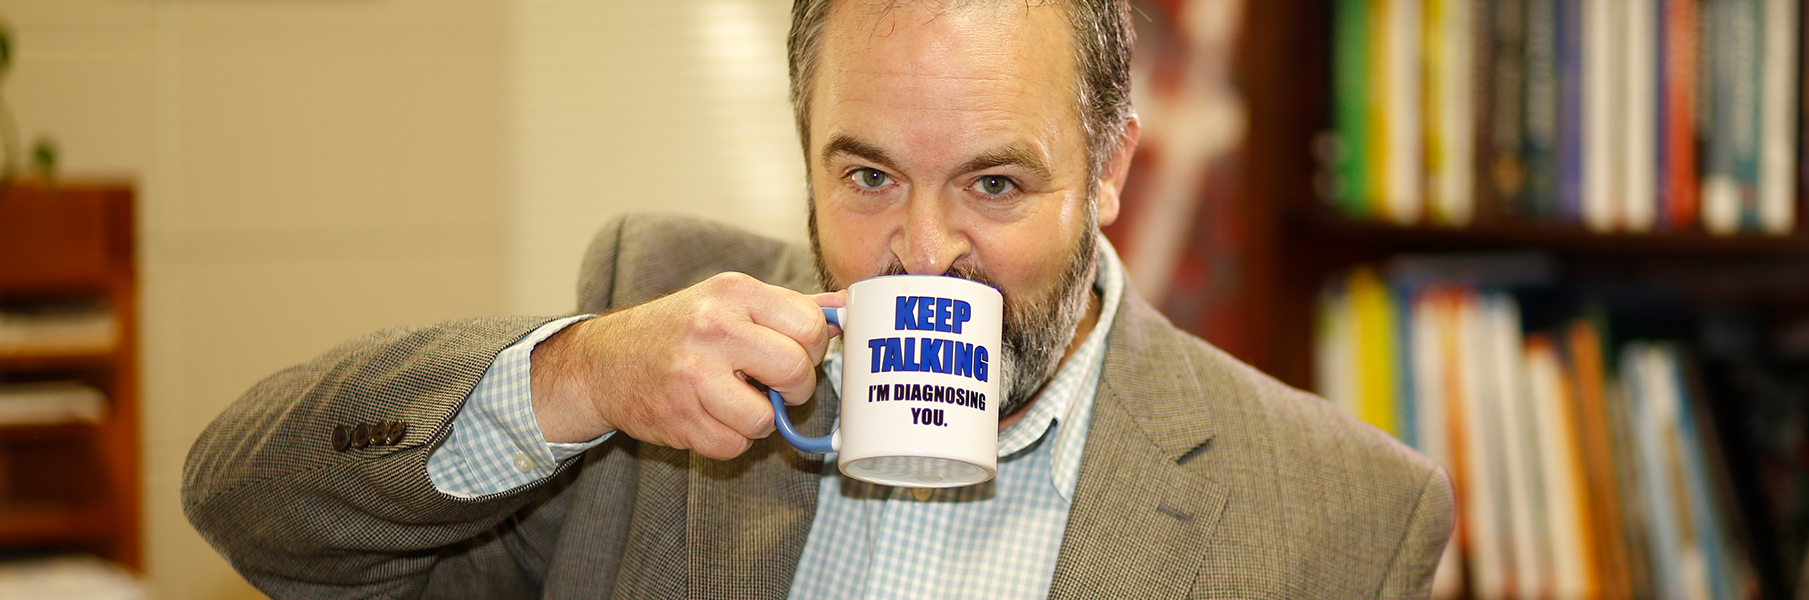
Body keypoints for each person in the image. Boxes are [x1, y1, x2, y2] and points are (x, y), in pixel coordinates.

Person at [183, 0, 1453, 597]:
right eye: (866, 175)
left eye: (997, 183)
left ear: (1111, 166)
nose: (920, 251)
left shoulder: (1344, 516)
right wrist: (576, 375)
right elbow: (249, 505)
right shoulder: (653, 327)